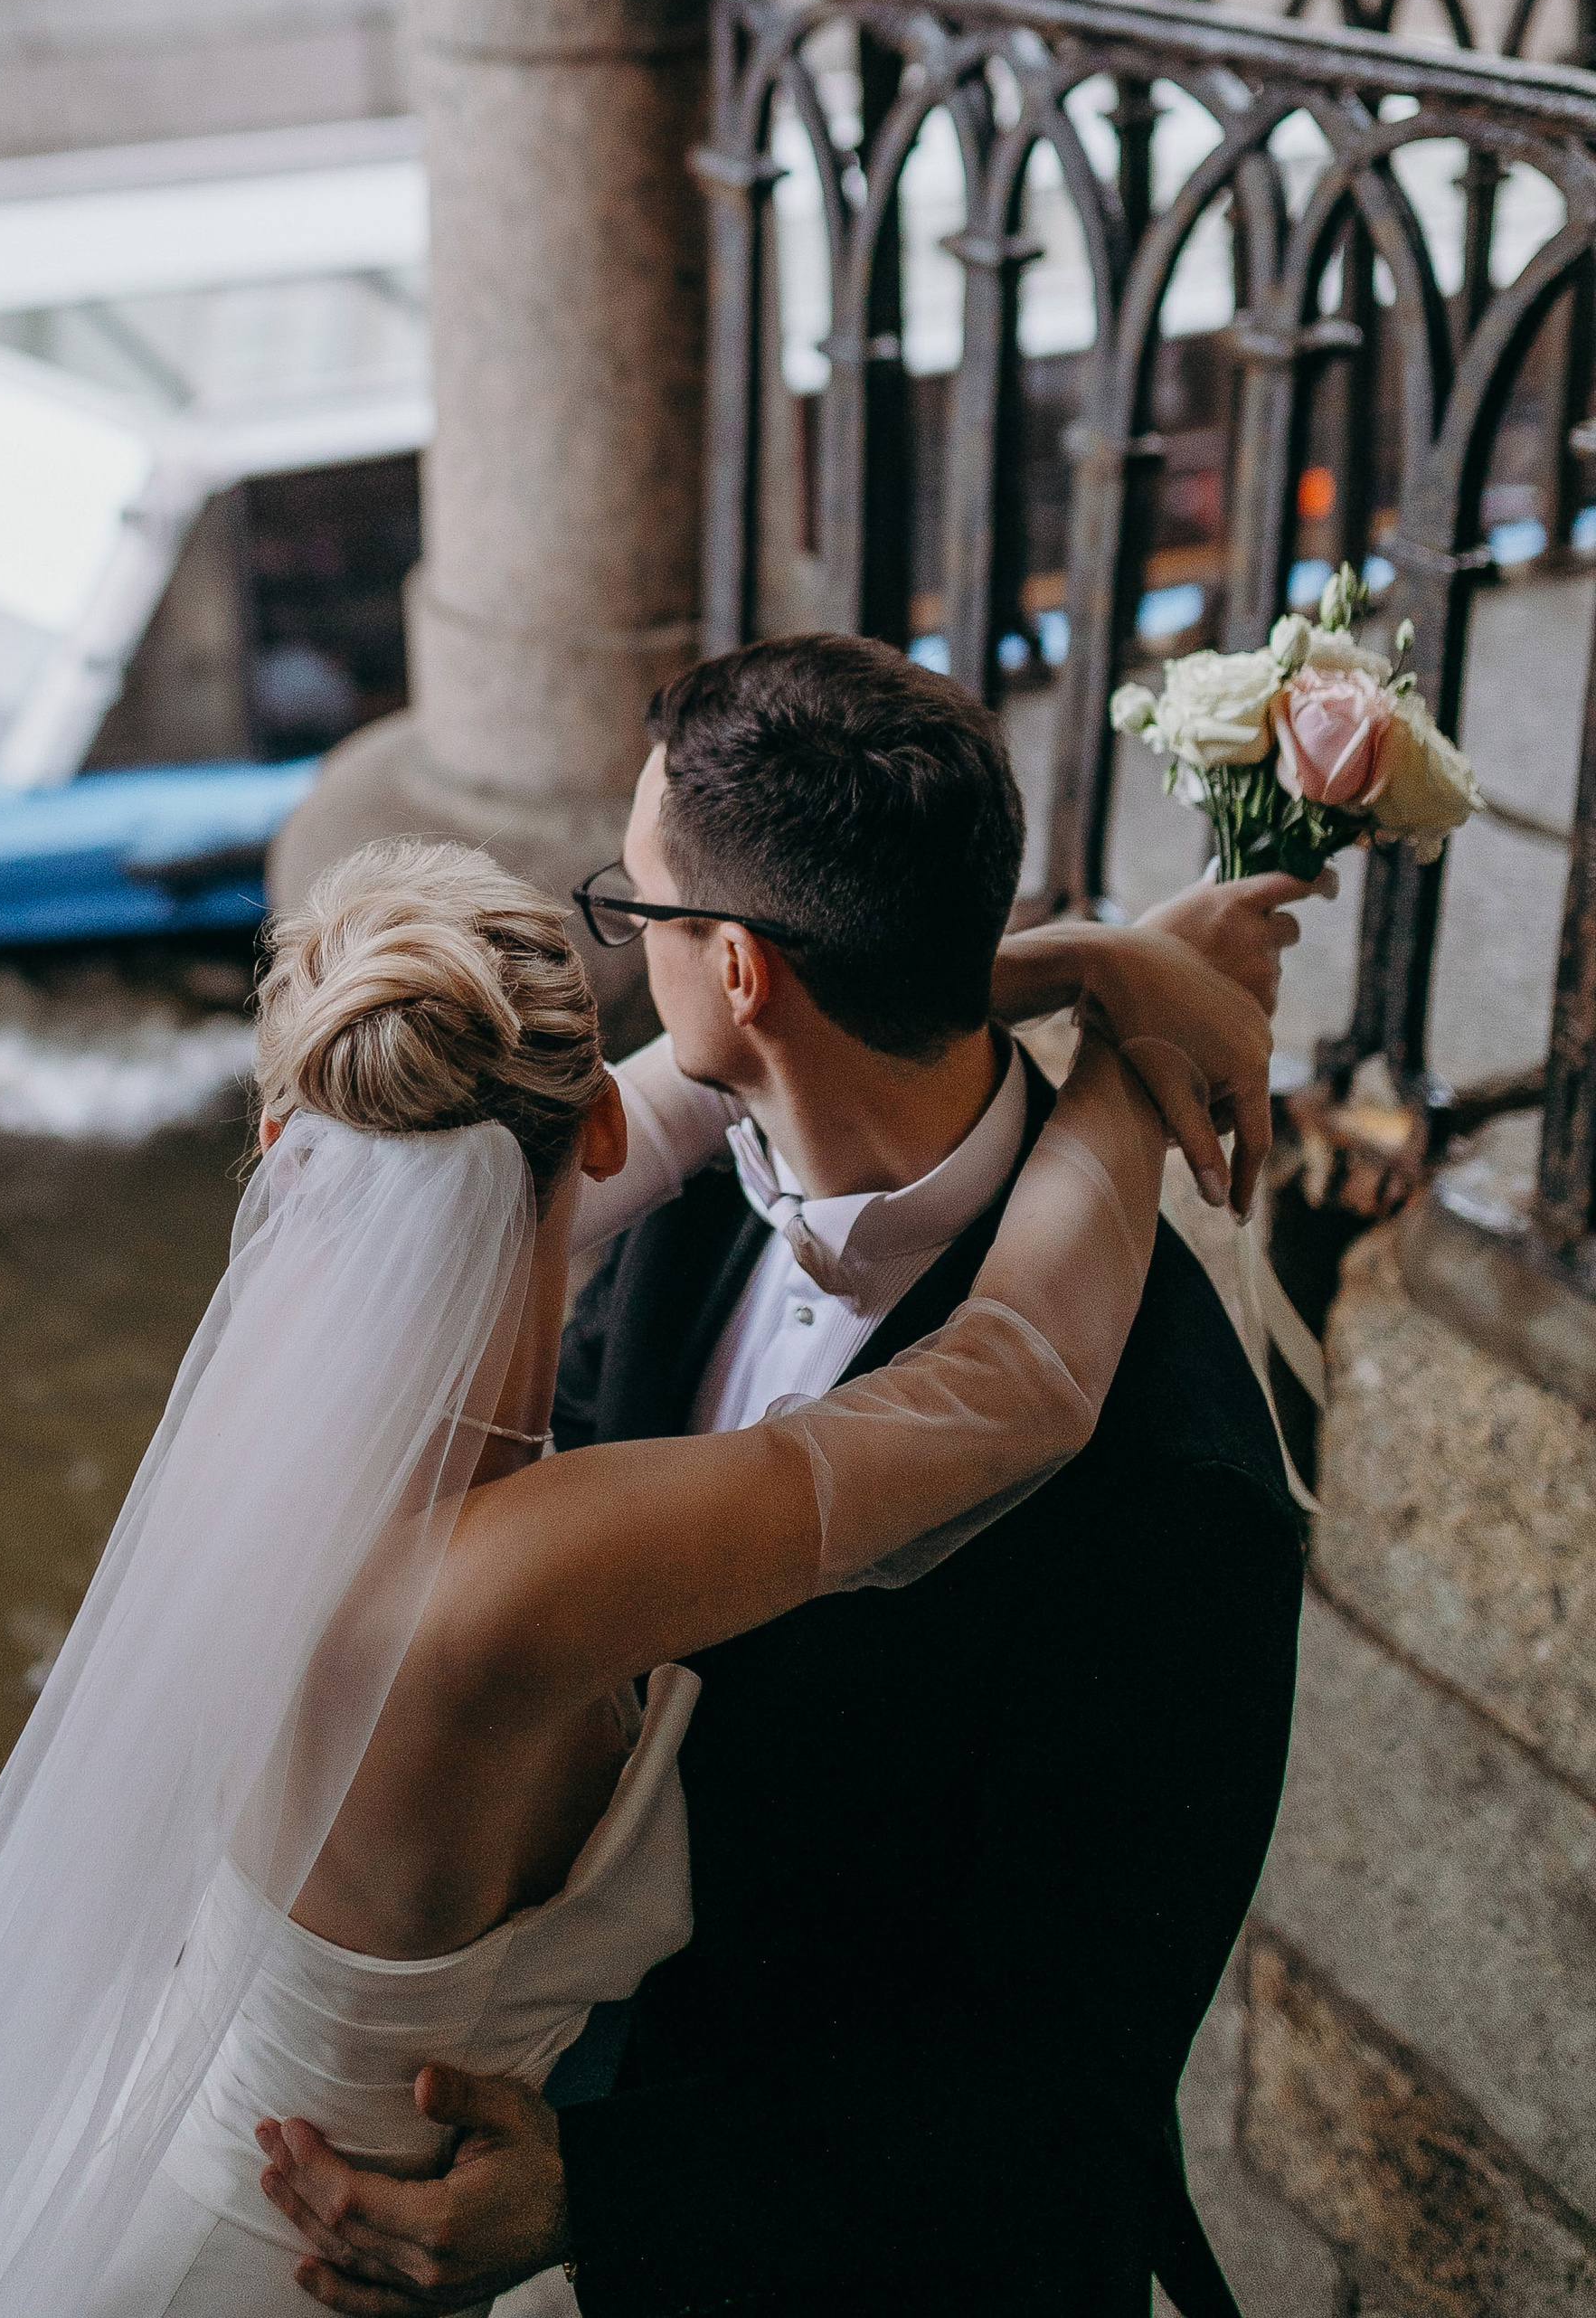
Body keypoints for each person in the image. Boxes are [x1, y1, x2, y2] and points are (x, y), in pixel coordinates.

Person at [0, 806, 1270, 2318]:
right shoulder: (513, 1585)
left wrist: (1081, 965)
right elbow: (1014, 1379)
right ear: (596, 1133)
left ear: (290, 1156)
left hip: (146, 2176)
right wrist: (1135, 1046)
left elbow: (644, 1111)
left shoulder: (262, 1416)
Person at [258, 637, 1311, 2318]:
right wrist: (1111, 983)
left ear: (734, 974)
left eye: (636, 906)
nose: (629, 950)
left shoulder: (1175, 1491)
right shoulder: (664, 1197)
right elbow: (1004, 1381)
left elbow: (1063, 2092)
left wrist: (612, 2195)